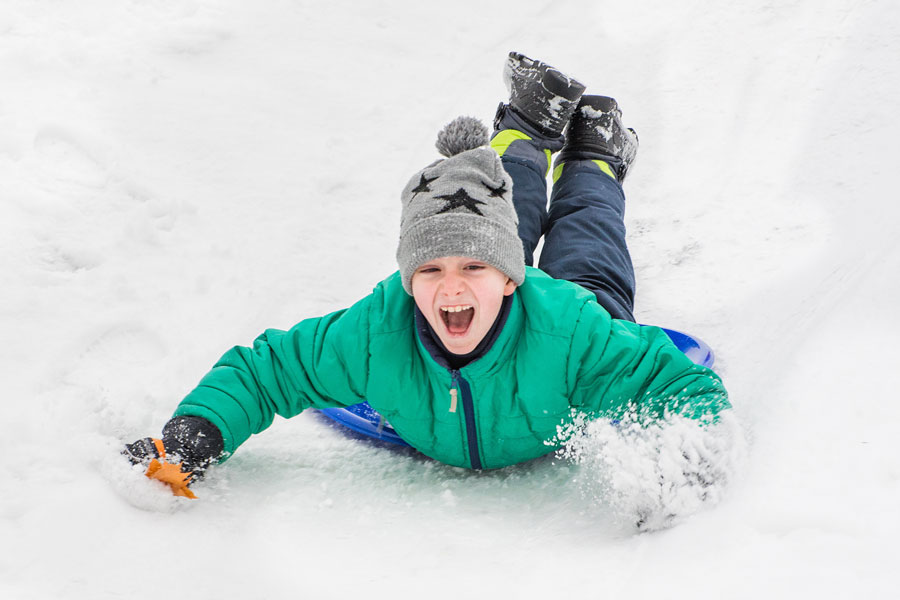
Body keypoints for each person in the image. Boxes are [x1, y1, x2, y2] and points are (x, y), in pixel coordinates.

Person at [125, 52, 730, 499]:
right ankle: (526, 126)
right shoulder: (375, 334)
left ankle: (594, 154)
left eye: (473, 270)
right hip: (498, 271)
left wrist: (679, 465)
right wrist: (199, 430)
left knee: (587, 245)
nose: (451, 285)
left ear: (513, 279)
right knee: (494, 213)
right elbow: (269, 369)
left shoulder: (576, 333)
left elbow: (683, 388)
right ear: (408, 280)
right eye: (430, 271)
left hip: (565, 315)